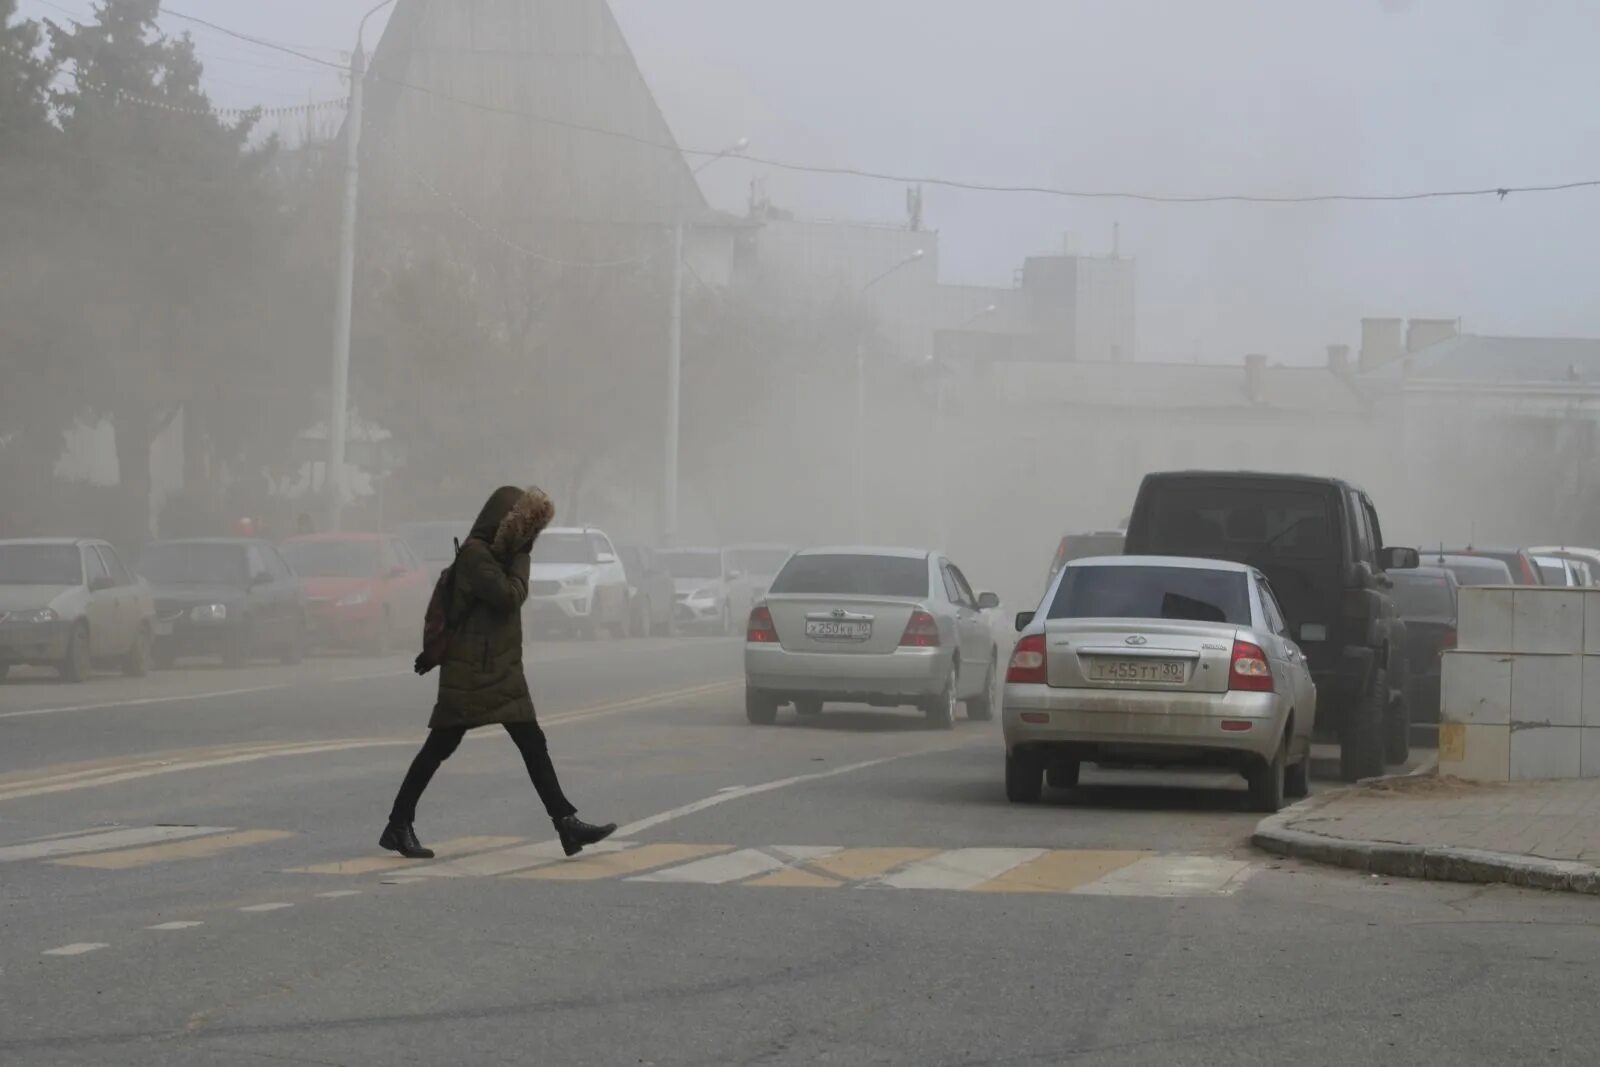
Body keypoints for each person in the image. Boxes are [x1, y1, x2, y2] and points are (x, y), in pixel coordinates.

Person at [380, 485, 616, 860]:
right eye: (524, 531)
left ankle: (566, 823)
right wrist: (522, 557)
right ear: (503, 524)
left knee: (531, 743)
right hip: (474, 672)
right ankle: (397, 823)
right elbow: (510, 596)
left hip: (496, 669)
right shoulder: (476, 556)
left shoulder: (493, 555)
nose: (527, 540)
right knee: (440, 747)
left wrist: (517, 554)